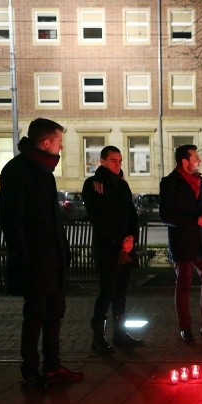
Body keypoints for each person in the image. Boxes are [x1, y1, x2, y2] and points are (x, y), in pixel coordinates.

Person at [0, 118, 82, 389]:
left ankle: (53, 366)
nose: (61, 148)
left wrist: (62, 250)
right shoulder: (18, 171)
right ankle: (31, 371)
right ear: (46, 143)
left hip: (51, 257)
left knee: (55, 311)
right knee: (34, 315)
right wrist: (23, 256)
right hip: (34, 260)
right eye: (59, 142)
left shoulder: (43, 171)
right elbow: (13, 219)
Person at [82, 146, 143, 353]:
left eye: (120, 160)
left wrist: (131, 237)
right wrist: (119, 240)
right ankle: (98, 336)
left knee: (121, 293)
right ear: (103, 162)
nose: (118, 164)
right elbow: (98, 218)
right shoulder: (94, 185)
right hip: (107, 248)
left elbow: (131, 214)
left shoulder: (122, 185)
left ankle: (120, 334)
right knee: (107, 291)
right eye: (113, 160)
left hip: (125, 247)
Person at [159, 144, 202, 343]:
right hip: (183, 242)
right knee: (183, 286)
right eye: (196, 158)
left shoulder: (200, 181)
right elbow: (166, 216)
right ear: (184, 162)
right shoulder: (169, 183)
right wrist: (195, 220)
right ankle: (186, 329)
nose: (199, 161)